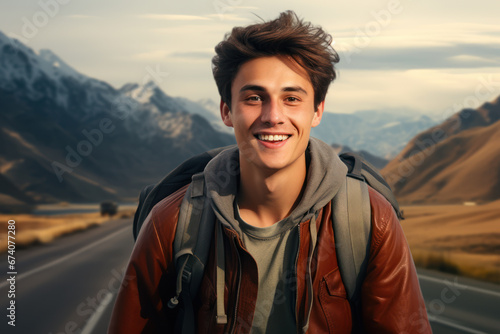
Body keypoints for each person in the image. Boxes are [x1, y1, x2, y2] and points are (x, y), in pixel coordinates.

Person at [108, 10, 431, 334]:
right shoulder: (172, 222)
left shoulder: (370, 219)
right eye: (254, 97)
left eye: (291, 98)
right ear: (226, 111)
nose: (273, 115)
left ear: (317, 110)